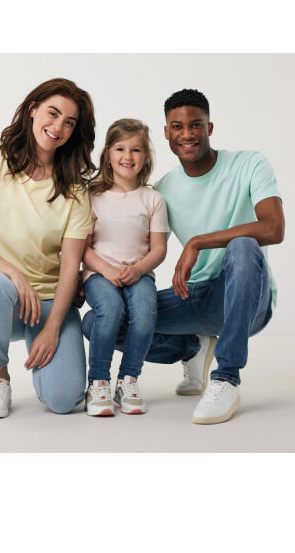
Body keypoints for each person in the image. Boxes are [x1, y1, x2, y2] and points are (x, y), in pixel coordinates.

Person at [82, 89, 285, 424]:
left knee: (243, 245)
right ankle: (192, 348)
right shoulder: (162, 191)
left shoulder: (250, 163)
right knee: (98, 322)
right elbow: (133, 237)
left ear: (210, 127)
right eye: (177, 126)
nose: (187, 134)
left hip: (249, 300)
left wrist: (197, 243)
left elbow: (274, 228)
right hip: (196, 298)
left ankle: (227, 378)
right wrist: (90, 274)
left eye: (196, 125)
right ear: (166, 133)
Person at [0, 78, 95, 418]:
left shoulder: (75, 190)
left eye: (69, 122)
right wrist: (15, 275)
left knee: (64, 401)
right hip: (4, 300)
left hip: (51, 303)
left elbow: (70, 266)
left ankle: (47, 354)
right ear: (32, 109)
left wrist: (52, 328)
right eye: (53, 113)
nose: (58, 127)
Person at [82, 119, 169, 417]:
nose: (128, 156)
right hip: (99, 274)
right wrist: (106, 270)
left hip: (139, 273)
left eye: (136, 150)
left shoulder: (153, 199)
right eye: (120, 149)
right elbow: (83, 249)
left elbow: (159, 249)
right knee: (111, 309)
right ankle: (98, 383)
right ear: (108, 154)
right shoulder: (92, 197)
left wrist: (139, 269)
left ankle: (128, 380)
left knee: (145, 312)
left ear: (146, 157)